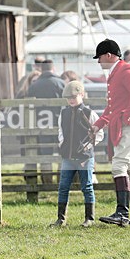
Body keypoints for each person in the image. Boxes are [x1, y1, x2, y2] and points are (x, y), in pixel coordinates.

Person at [90, 39, 130, 227]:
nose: (99, 62)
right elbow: (111, 107)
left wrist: (128, 117)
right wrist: (98, 125)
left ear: (108, 55)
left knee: (119, 166)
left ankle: (122, 213)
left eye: (99, 57)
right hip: (123, 124)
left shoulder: (125, 70)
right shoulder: (115, 73)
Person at [50, 80, 104, 228]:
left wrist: (87, 147)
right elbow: (60, 132)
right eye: (68, 98)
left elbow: (99, 134)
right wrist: (62, 144)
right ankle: (61, 219)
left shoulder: (89, 113)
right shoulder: (63, 113)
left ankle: (90, 218)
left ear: (81, 95)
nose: (71, 100)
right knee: (63, 186)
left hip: (84, 157)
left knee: (87, 186)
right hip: (67, 157)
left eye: (74, 97)